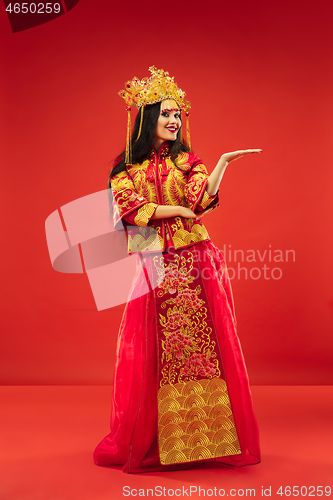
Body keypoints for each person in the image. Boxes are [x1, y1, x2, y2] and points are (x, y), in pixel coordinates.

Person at [93, 66, 262, 474]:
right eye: (166, 114)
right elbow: (133, 209)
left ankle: (204, 440)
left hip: (196, 260)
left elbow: (200, 200)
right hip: (156, 263)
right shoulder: (124, 170)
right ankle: (158, 441)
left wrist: (221, 164)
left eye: (177, 115)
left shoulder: (189, 160)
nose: (173, 121)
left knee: (205, 349)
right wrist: (178, 210)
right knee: (156, 352)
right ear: (148, 119)